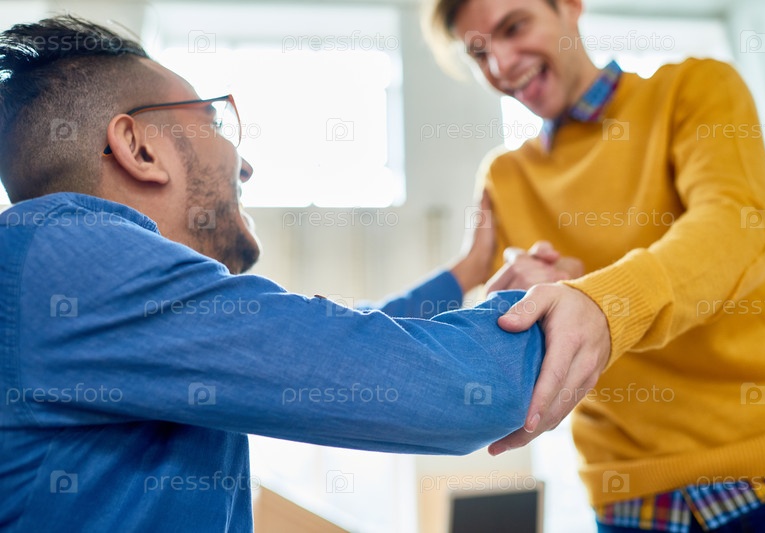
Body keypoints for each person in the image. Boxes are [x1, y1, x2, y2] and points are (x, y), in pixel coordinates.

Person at [0, 15, 569, 531]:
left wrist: (467, 272)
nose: (245, 164)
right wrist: (571, 304)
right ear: (139, 148)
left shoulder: (66, 273)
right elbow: (465, 393)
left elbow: (335, 342)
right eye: (214, 122)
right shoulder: (73, 262)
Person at [425, 0, 765, 531]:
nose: (501, 65)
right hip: (628, 497)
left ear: (570, 7)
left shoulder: (693, 88)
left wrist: (599, 301)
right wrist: (494, 286)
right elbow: (515, 337)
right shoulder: (504, 177)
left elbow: (734, 228)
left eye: (514, 26)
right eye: (479, 53)